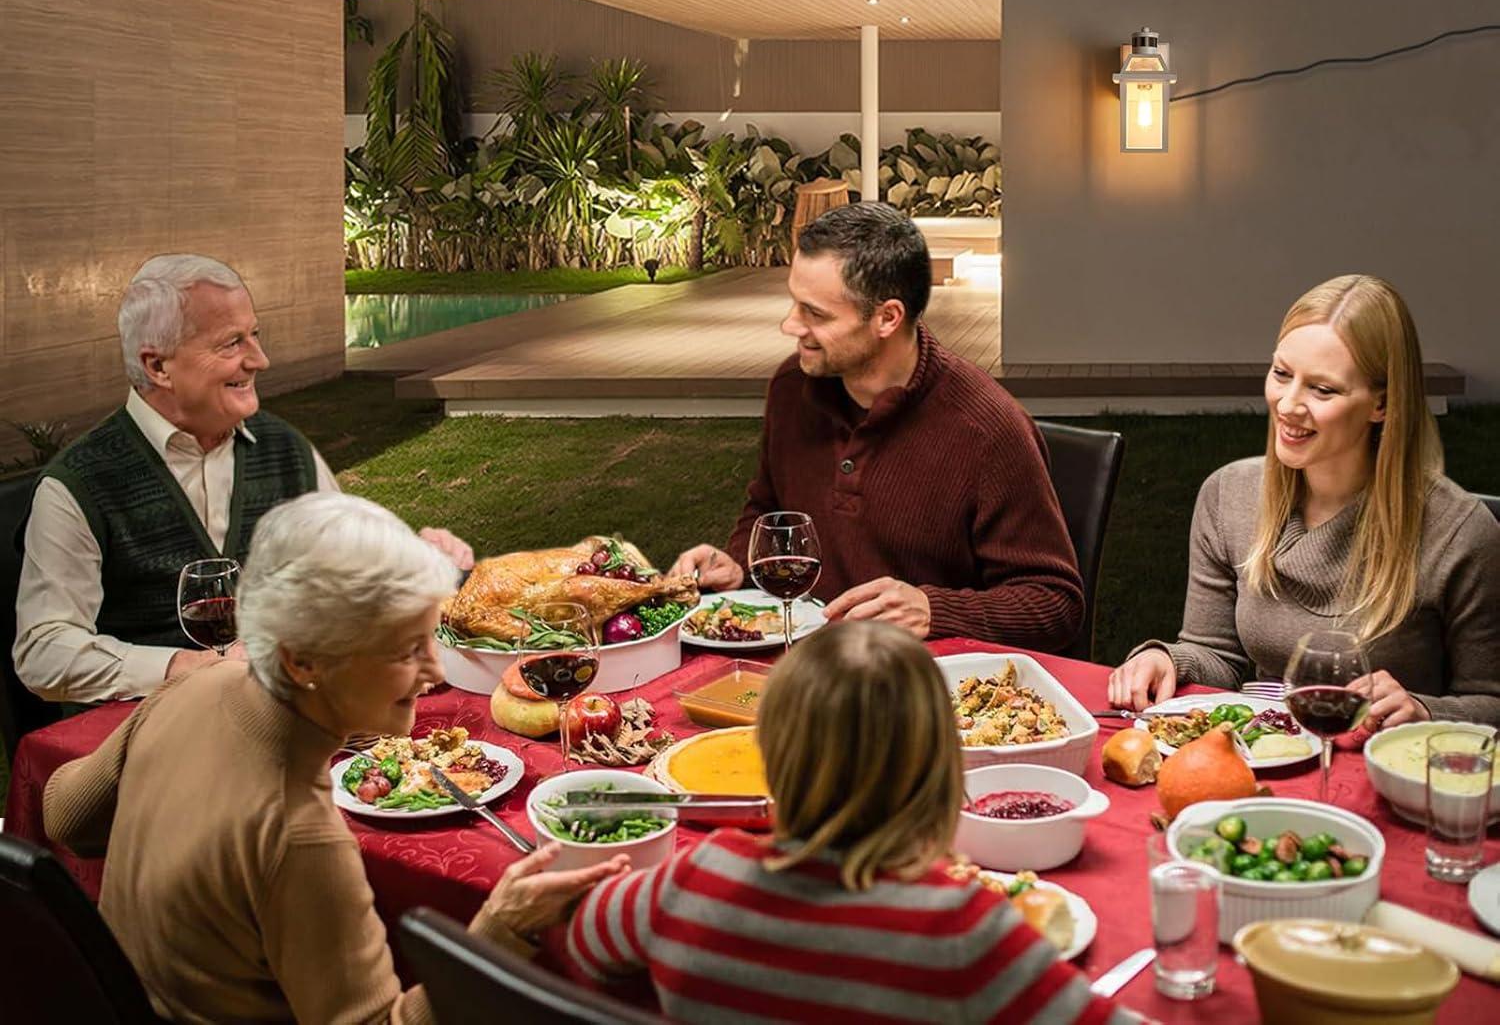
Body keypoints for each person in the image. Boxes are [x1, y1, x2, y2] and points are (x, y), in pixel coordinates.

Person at [44, 493, 624, 1024]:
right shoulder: (301, 835)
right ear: (303, 662)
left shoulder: (194, 686)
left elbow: (65, 817)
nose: (433, 670)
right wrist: (500, 930)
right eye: (404, 649)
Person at [566, 620, 1140, 1024]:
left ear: (771, 757)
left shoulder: (693, 879)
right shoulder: (960, 933)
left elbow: (583, 945)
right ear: (940, 770)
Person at [15, 253, 471, 704]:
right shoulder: (78, 484)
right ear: (158, 367)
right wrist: (185, 668)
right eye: (231, 343)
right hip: (152, 736)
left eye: (255, 335)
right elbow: (43, 651)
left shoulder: (286, 448)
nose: (260, 359)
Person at [672, 204, 1083, 649]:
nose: (790, 325)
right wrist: (737, 565)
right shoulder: (792, 388)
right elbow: (768, 510)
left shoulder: (988, 430)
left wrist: (933, 609)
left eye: (817, 314)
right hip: (802, 669)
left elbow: (1055, 603)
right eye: (794, 302)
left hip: (920, 687)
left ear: (887, 317)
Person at [1108, 274, 1500, 728]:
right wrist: (1170, 660)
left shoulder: (1460, 533)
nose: (1288, 404)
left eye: (1323, 389)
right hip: (1266, 760)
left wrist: (1426, 710)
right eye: (1282, 374)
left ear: (1383, 405)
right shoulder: (1227, 496)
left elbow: (1490, 702)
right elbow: (1215, 654)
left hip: (1392, 775)